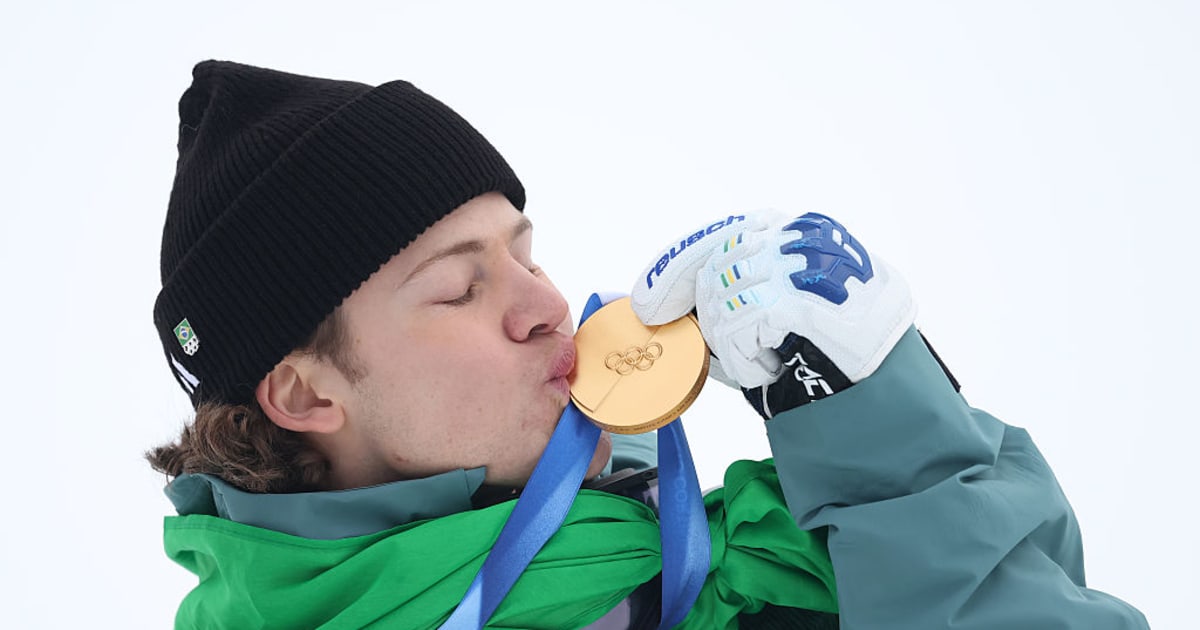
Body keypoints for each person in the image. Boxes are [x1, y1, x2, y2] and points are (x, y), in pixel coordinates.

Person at [148, 60, 1148, 629]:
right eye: (460, 287)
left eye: (524, 254)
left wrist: (876, 429)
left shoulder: (721, 564)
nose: (546, 305)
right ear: (306, 394)